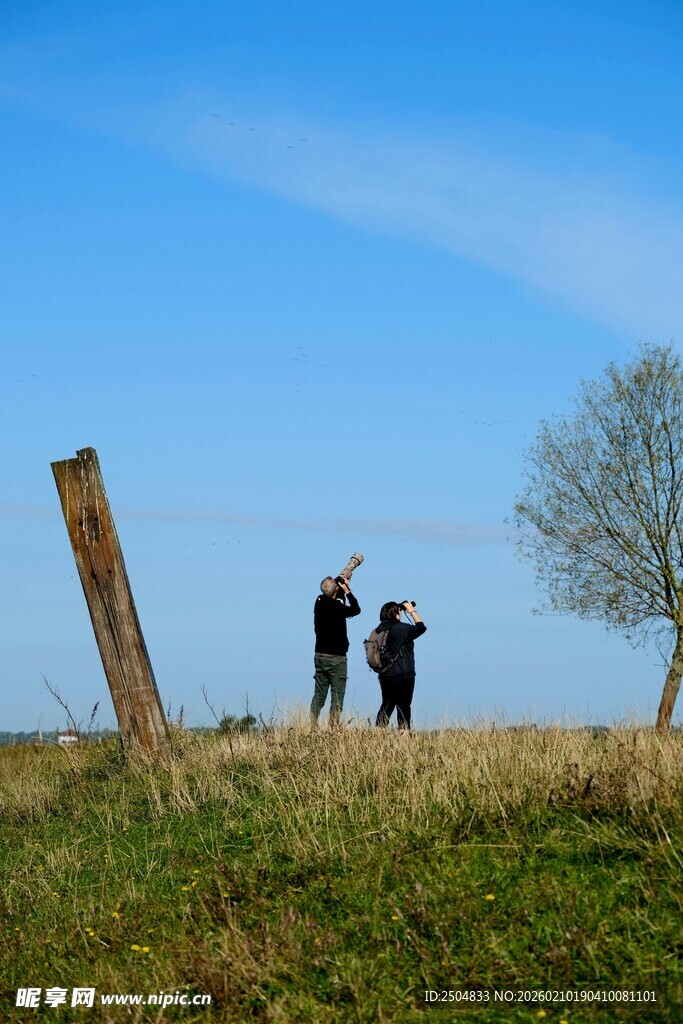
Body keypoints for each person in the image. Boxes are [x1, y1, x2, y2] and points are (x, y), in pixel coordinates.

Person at [311, 576, 361, 726]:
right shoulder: (338, 608)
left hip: (320, 655)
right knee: (337, 696)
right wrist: (347, 591)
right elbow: (356, 610)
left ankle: (312, 726)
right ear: (336, 591)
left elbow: (331, 594)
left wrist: (339, 589)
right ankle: (333, 729)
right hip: (336, 657)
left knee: (319, 694)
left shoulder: (319, 602)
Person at [374, 601, 426, 731]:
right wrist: (412, 611)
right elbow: (421, 628)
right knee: (403, 706)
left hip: (385, 673)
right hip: (403, 673)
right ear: (396, 614)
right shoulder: (401, 629)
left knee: (387, 704)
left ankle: (376, 736)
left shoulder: (379, 630)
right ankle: (403, 739)